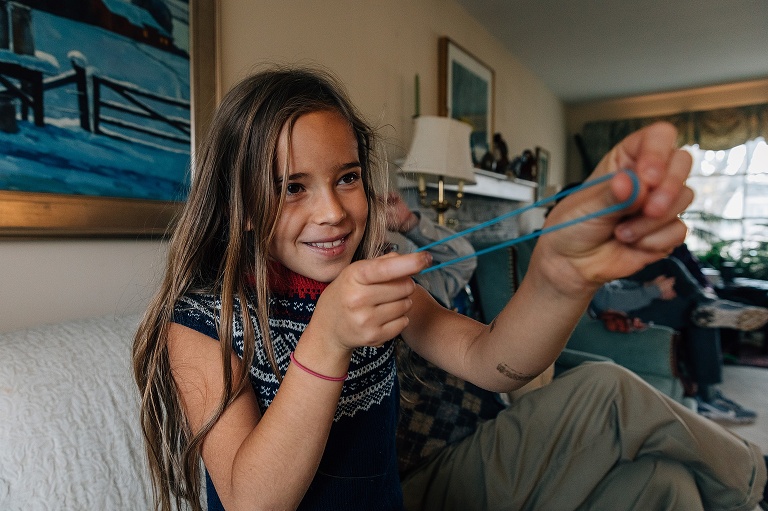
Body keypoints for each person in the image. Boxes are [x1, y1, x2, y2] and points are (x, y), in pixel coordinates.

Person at [131, 66, 767, 511]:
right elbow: (253, 503)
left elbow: (492, 363)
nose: (332, 211)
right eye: (292, 186)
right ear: (238, 203)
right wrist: (325, 342)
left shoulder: (376, 282)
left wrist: (560, 275)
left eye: (346, 178)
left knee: (663, 489)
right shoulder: (199, 323)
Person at [591, 253, 768, 423]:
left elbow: (616, 286)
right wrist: (655, 289)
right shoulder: (575, 251)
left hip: (627, 303)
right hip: (606, 318)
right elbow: (604, 300)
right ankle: (708, 395)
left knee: (699, 310)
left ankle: (708, 394)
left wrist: (649, 288)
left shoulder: (599, 256)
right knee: (696, 310)